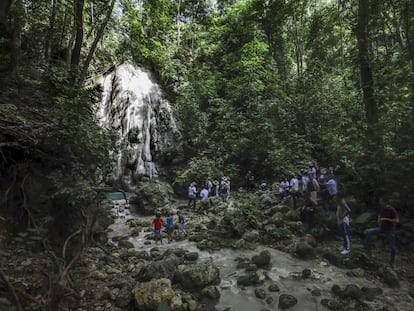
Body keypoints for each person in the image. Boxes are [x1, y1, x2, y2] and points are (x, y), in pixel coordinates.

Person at [364, 197, 399, 269]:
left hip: (390, 229)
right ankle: (369, 250)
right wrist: (378, 220)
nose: (379, 202)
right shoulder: (382, 208)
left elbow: (397, 220)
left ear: (385, 202)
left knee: (393, 247)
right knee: (368, 232)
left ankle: (392, 262)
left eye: (381, 201)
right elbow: (380, 215)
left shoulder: (392, 210)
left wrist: (386, 219)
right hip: (381, 228)